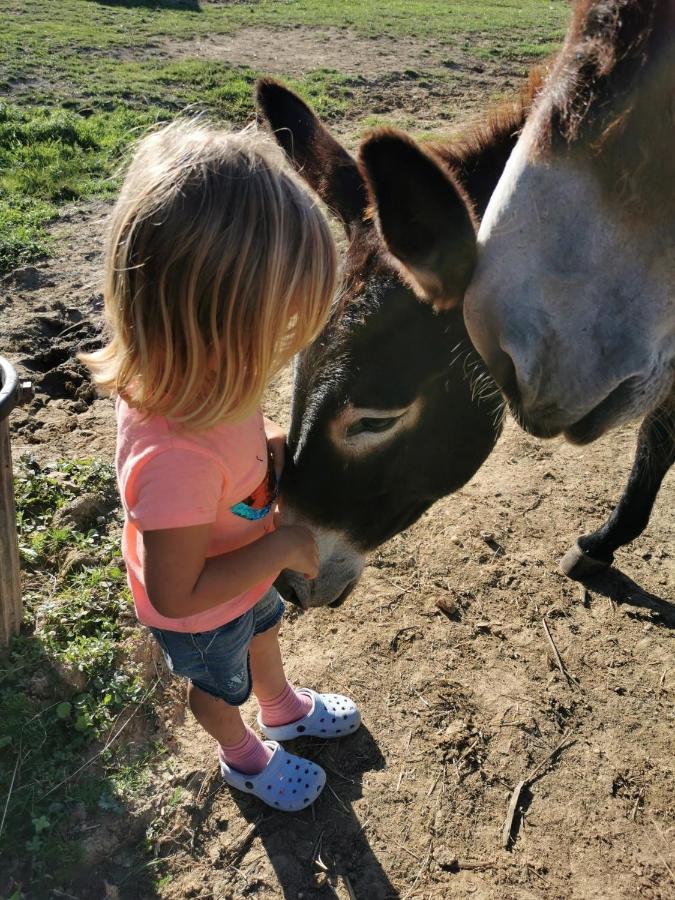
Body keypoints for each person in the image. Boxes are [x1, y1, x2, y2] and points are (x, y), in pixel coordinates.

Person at [81, 120, 360, 812]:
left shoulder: (202, 380)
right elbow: (178, 595)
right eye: (272, 332)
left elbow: (232, 437)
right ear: (211, 324)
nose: (279, 350)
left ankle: (283, 707)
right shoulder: (171, 458)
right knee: (218, 684)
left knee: (263, 629)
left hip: (243, 571)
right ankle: (243, 754)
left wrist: (263, 433)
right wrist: (279, 547)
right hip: (202, 610)